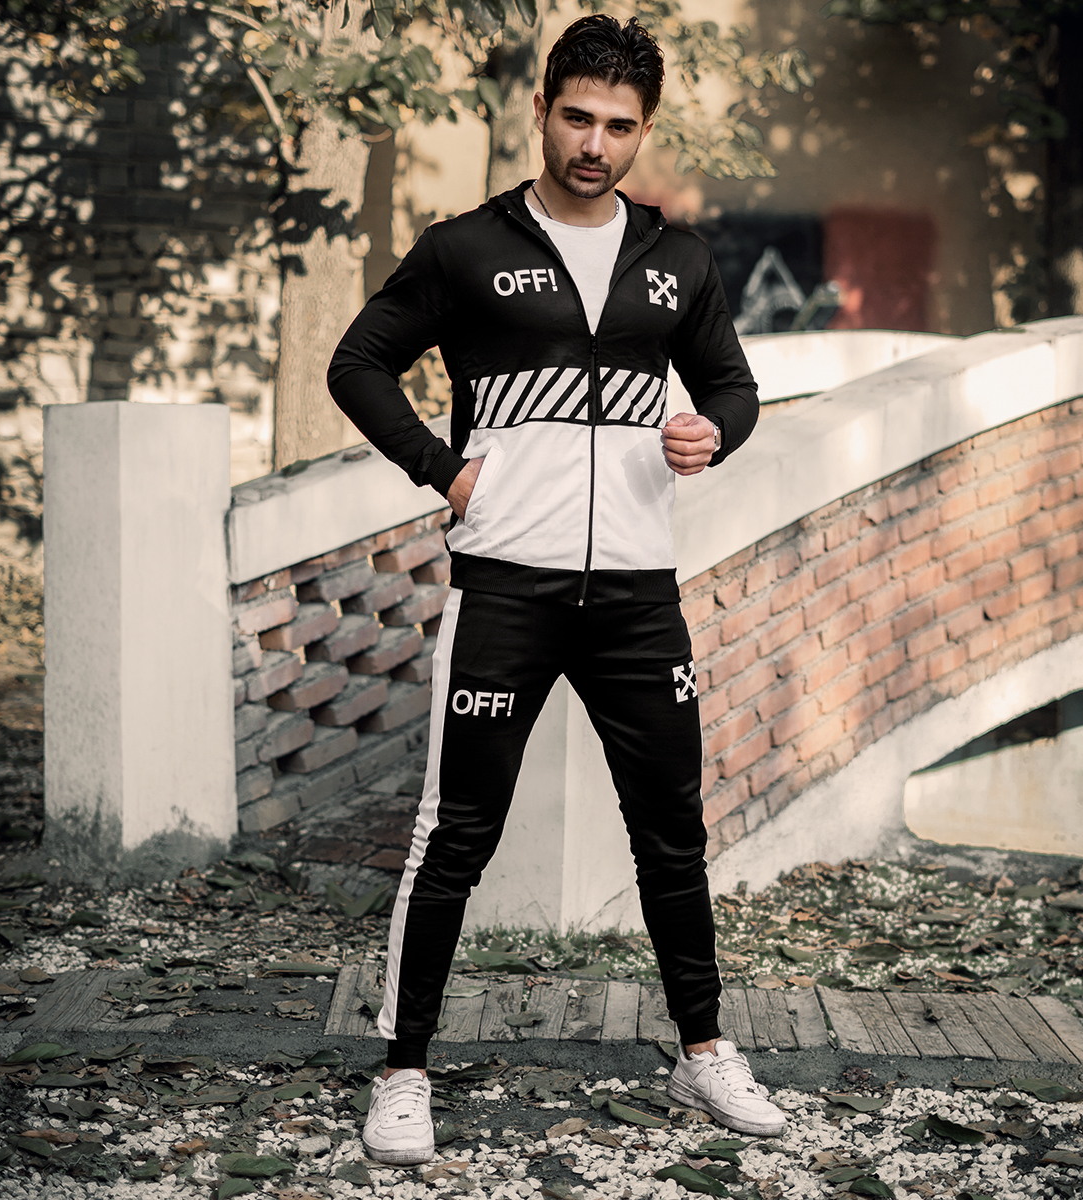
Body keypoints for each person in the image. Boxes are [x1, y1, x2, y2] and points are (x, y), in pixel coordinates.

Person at [327, 13, 784, 1167]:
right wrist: (443, 468)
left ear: (644, 131)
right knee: (456, 835)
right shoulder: (465, 248)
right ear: (541, 111)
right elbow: (357, 362)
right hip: (507, 591)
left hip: (636, 598)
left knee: (670, 833)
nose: (594, 143)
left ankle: (703, 1052)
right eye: (576, 117)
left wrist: (713, 433)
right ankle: (404, 1071)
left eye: (619, 126)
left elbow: (734, 387)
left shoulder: (677, 259)